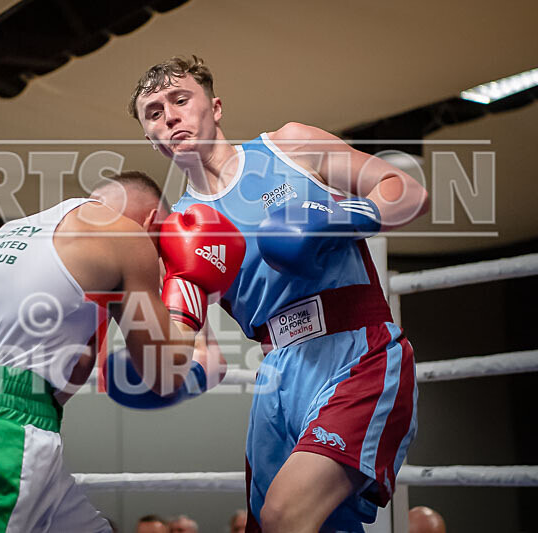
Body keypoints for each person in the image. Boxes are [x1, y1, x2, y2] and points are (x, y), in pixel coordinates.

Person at [128, 56, 428, 532]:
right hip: (277, 375)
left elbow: (404, 189)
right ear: (150, 137)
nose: (169, 115)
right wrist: (154, 358)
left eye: (180, 100)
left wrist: (338, 218)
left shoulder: (289, 147)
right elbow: (191, 346)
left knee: (284, 515)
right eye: (154, 112)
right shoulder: (178, 231)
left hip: (357, 350)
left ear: (216, 107)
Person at [0, 172, 244, 531]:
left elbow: (72, 374)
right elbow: (163, 373)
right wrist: (188, 284)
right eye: (160, 246)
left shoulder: (17, 231)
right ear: (151, 222)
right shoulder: (128, 236)